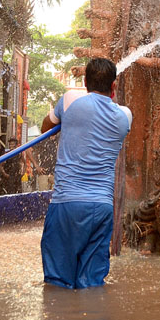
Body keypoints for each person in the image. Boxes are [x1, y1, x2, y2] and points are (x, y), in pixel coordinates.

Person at [39, 58, 132, 289]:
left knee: (57, 285)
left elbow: (45, 128)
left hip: (66, 204)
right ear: (114, 86)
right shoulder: (125, 116)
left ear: (84, 81)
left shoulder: (70, 100)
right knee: (92, 284)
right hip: (101, 208)